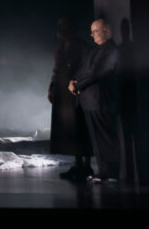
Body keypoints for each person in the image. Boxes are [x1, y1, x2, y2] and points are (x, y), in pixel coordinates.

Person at [69, 17, 120, 182]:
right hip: (91, 102)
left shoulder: (110, 49)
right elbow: (83, 70)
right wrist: (73, 82)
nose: (92, 35)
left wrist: (77, 86)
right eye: (91, 32)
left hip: (101, 101)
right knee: (97, 140)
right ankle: (104, 172)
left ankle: (110, 172)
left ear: (106, 30)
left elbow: (96, 72)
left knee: (104, 139)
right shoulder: (96, 50)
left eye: (95, 31)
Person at [47, 18, 92, 180]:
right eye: (59, 26)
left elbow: (87, 69)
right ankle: (77, 164)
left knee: (81, 128)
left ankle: (86, 166)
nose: (60, 29)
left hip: (77, 91)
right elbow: (56, 69)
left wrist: (78, 85)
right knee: (70, 129)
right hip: (62, 92)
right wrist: (52, 87)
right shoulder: (60, 49)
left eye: (63, 26)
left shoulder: (83, 47)